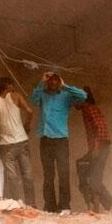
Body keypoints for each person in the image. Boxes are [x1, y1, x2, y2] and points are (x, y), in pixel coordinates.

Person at [30, 71, 87, 213]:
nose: (53, 83)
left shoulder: (66, 96)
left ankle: (64, 206)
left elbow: (83, 96)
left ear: (59, 81)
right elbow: (33, 99)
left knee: (63, 173)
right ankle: (50, 206)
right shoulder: (42, 94)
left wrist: (65, 85)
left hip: (61, 140)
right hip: (45, 140)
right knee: (48, 175)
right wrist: (41, 81)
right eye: (50, 80)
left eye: (56, 80)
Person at [0, 77, 35, 206]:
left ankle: (18, 205)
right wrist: (27, 125)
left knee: (12, 178)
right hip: (22, 141)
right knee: (27, 175)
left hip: (7, 146)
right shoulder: (16, 96)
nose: (14, 86)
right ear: (8, 85)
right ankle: (31, 205)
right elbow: (30, 111)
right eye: (12, 84)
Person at [76, 87, 112, 213]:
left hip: (101, 146)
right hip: (98, 147)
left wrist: (96, 148)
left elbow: (100, 129)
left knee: (94, 181)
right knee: (83, 170)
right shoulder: (86, 109)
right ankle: (104, 205)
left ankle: (111, 206)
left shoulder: (90, 108)